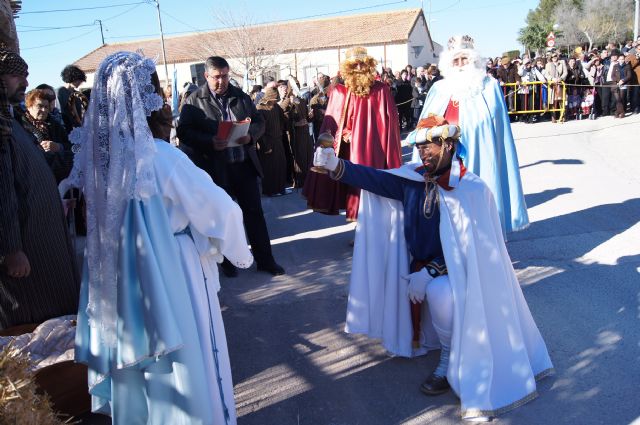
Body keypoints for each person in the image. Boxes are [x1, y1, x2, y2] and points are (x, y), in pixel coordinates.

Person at [314, 115, 553, 422]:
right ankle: (433, 339)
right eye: (420, 147)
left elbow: (472, 250)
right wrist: (335, 165)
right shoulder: (414, 180)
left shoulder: (472, 189)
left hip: (463, 275)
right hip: (421, 267)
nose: (423, 153)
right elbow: (374, 178)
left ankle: (449, 358)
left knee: (440, 292)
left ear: (449, 146)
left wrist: (431, 273)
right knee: (409, 284)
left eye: (430, 147)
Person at [60, 51, 254, 424]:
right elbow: (222, 212)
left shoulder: (100, 163)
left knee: (145, 376)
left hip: (125, 283)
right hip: (175, 269)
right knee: (187, 360)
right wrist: (233, 252)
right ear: (147, 100)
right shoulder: (160, 157)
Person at [408, 35, 529, 235]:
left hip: (480, 155)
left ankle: (486, 238)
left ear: (473, 60)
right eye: (455, 60)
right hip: (443, 159)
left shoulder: (489, 86)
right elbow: (425, 125)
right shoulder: (438, 89)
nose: (460, 65)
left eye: (464, 59)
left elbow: (499, 132)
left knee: (477, 205)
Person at [177, 56, 284, 276]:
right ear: (206, 76)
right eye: (217, 77)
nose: (222, 81)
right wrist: (209, 141)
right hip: (215, 169)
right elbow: (184, 132)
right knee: (222, 218)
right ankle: (227, 263)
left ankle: (265, 260)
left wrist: (251, 135)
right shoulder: (193, 101)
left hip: (243, 165)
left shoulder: (241, 97)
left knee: (254, 214)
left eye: (225, 76)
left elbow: (259, 121)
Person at [0, 47, 80, 330]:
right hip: (26, 250)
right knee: (34, 329)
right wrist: (11, 249)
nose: (24, 83)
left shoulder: (9, 121)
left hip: (41, 238)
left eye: (26, 76)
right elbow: (2, 191)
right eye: (16, 76)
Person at [303, 46, 401, 222]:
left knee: (373, 186)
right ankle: (358, 221)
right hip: (350, 149)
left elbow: (390, 126)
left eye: (362, 64)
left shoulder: (381, 90)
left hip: (376, 148)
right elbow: (333, 124)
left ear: (369, 66)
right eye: (354, 65)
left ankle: (375, 222)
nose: (359, 68)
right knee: (353, 183)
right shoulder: (340, 91)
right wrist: (346, 132)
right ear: (347, 69)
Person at [19, 88, 73, 183]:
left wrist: (58, 147)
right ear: (29, 106)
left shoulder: (55, 125)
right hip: (33, 177)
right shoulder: (21, 125)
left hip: (58, 177)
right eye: (39, 106)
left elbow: (71, 146)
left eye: (46, 107)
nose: (43, 110)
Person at [256, 87, 288, 196]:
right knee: (270, 168)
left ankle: (281, 188)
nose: (275, 101)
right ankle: (271, 190)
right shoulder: (260, 108)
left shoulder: (276, 107)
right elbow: (259, 129)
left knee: (281, 164)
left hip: (277, 140)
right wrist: (265, 146)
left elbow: (282, 119)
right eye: (274, 99)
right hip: (267, 142)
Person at [57, 64, 88, 133]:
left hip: (78, 126)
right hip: (68, 127)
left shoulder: (77, 93)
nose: (80, 82)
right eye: (79, 80)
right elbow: (68, 109)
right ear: (72, 78)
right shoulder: (61, 91)